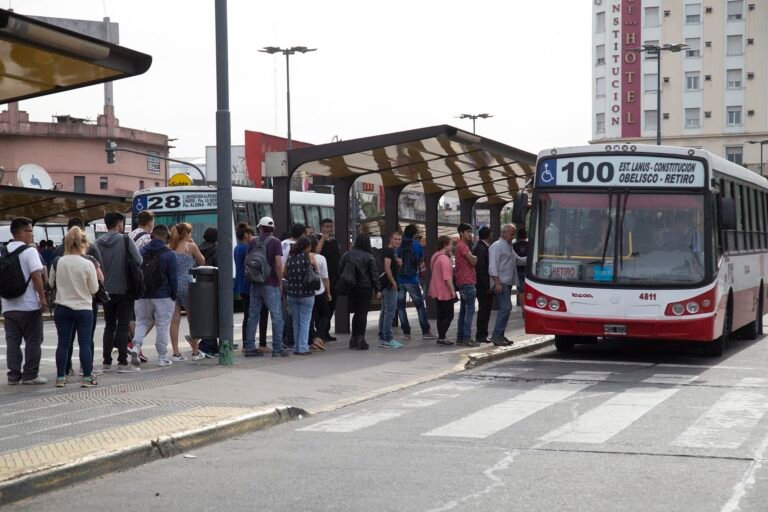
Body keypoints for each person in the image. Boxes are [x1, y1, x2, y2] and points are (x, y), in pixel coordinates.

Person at [51, 227, 100, 387]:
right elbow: (94, 289)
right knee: (85, 343)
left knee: (63, 344)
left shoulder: (58, 262)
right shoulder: (88, 263)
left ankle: (60, 377)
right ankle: (87, 378)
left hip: (63, 308)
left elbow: (51, 283)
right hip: (84, 308)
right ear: (84, 243)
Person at [1, 217, 47, 385]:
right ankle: (30, 375)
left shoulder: (2, 251)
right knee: (33, 340)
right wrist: (42, 299)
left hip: (8, 305)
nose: (32, 235)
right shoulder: (30, 251)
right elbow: (36, 276)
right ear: (20, 232)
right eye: (30, 231)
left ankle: (13, 375)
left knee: (12, 342)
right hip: (28, 306)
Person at [96, 211, 142, 373]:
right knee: (122, 326)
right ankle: (122, 362)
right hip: (124, 289)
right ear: (119, 224)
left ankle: (106, 361)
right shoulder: (125, 239)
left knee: (109, 326)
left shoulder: (97, 242)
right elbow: (139, 260)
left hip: (105, 291)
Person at [128, 224, 178, 368]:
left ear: (151, 236)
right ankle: (162, 357)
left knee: (142, 322)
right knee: (162, 325)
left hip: (143, 294)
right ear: (167, 237)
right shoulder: (169, 254)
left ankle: (136, 347)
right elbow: (173, 278)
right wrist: (173, 296)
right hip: (163, 295)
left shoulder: (141, 251)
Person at [244, 216, 288, 358]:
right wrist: (280, 282)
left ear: (260, 228)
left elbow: (248, 261)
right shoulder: (275, 242)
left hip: (255, 283)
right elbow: (278, 264)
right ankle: (277, 348)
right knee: (276, 316)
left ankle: (250, 347)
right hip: (271, 284)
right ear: (273, 229)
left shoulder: (252, 241)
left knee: (253, 316)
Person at [169, 223, 206, 361]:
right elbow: (202, 261)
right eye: (189, 233)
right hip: (188, 285)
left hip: (173, 285)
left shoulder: (170, 248)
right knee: (193, 320)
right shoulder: (190, 247)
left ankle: (176, 353)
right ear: (185, 234)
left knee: (174, 320)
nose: (191, 235)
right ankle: (195, 351)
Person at [339, 233, 381, 350]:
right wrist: (378, 289)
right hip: (365, 288)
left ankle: (353, 338)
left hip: (351, 287)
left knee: (356, 313)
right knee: (362, 314)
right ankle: (360, 340)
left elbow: (340, 269)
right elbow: (374, 275)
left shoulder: (347, 254)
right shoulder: (369, 256)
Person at [489, 224, 527, 346]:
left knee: (506, 308)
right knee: (506, 308)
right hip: (501, 282)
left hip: (507, 282)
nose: (513, 236)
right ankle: (496, 335)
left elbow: (519, 260)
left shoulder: (509, 246)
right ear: (504, 233)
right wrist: (497, 283)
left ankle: (500, 335)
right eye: (512, 234)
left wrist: (533, 257)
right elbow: (493, 266)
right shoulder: (496, 246)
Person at [396, 224, 435, 341]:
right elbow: (420, 260)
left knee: (401, 307)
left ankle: (406, 333)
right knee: (420, 306)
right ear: (414, 234)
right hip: (412, 279)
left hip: (399, 280)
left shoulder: (399, 244)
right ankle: (425, 331)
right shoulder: (417, 245)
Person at [285, 236, 319, 356]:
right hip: (306, 294)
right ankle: (303, 347)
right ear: (307, 247)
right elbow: (316, 270)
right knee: (305, 321)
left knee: (296, 321)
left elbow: (285, 273)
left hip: (292, 294)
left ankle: (296, 347)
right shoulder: (309, 256)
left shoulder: (290, 257)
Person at [127, 210, 154, 363]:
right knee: (150, 316)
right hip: (142, 280)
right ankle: (135, 344)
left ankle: (136, 347)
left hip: (129, 279)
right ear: (150, 222)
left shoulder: (130, 235)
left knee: (133, 315)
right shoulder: (147, 239)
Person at [281, 223, 306, 349]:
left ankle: (282, 337)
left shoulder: (283, 243)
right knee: (292, 313)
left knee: (283, 312)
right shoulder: (296, 246)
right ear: (302, 234)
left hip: (281, 280)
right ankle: (289, 339)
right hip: (291, 281)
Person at [316, 218, 341, 341]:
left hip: (334, 279)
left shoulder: (335, 242)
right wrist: (322, 240)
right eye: (327, 226)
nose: (329, 229)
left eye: (331, 226)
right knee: (322, 308)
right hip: (322, 280)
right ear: (321, 227)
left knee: (331, 307)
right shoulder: (317, 239)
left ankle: (326, 332)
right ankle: (320, 333)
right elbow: (316, 253)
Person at [455, 223, 479, 347]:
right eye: (468, 232)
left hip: (463, 282)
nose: (470, 234)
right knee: (470, 310)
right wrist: (474, 258)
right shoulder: (463, 246)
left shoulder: (460, 246)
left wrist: (473, 258)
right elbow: (473, 261)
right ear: (461, 233)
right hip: (467, 282)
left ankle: (460, 337)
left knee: (464, 311)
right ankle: (467, 337)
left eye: (471, 232)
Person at [429, 236, 456, 346]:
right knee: (449, 314)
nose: (452, 246)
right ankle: (441, 336)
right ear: (445, 245)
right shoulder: (443, 259)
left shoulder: (435, 256)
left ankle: (442, 336)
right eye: (450, 244)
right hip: (444, 291)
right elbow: (447, 277)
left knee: (441, 314)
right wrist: (453, 290)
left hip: (436, 289)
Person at [378, 232, 403, 349]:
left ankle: (383, 338)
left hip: (386, 286)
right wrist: (393, 282)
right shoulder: (389, 251)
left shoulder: (391, 252)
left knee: (384, 311)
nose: (397, 241)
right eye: (395, 239)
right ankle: (388, 338)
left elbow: (390, 267)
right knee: (390, 312)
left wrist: (398, 264)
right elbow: (387, 267)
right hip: (389, 286)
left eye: (399, 239)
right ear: (390, 239)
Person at [234, 222, 255, 350]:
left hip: (240, 284)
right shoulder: (246, 248)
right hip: (247, 284)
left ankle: (246, 342)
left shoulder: (237, 248)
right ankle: (247, 343)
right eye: (251, 234)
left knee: (247, 315)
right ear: (246, 234)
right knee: (249, 315)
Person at [309, 238, 331, 351]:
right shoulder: (321, 258)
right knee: (325, 315)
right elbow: (325, 278)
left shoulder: (304, 257)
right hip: (320, 291)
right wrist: (328, 292)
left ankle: (311, 338)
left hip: (307, 292)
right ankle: (319, 337)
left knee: (310, 317)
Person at [473, 227, 493, 343]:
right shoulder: (481, 248)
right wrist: (487, 286)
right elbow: (481, 269)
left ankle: (483, 333)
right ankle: (481, 335)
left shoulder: (482, 247)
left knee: (485, 310)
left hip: (482, 285)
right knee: (484, 310)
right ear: (488, 235)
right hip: (483, 286)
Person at [512, 228, 529, 307]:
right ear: (526, 236)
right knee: (529, 290)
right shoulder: (530, 244)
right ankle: (528, 306)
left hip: (518, 270)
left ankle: (523, 308)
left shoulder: (514, 245)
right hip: (528, 271)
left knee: (521, 290)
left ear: (518, 236)